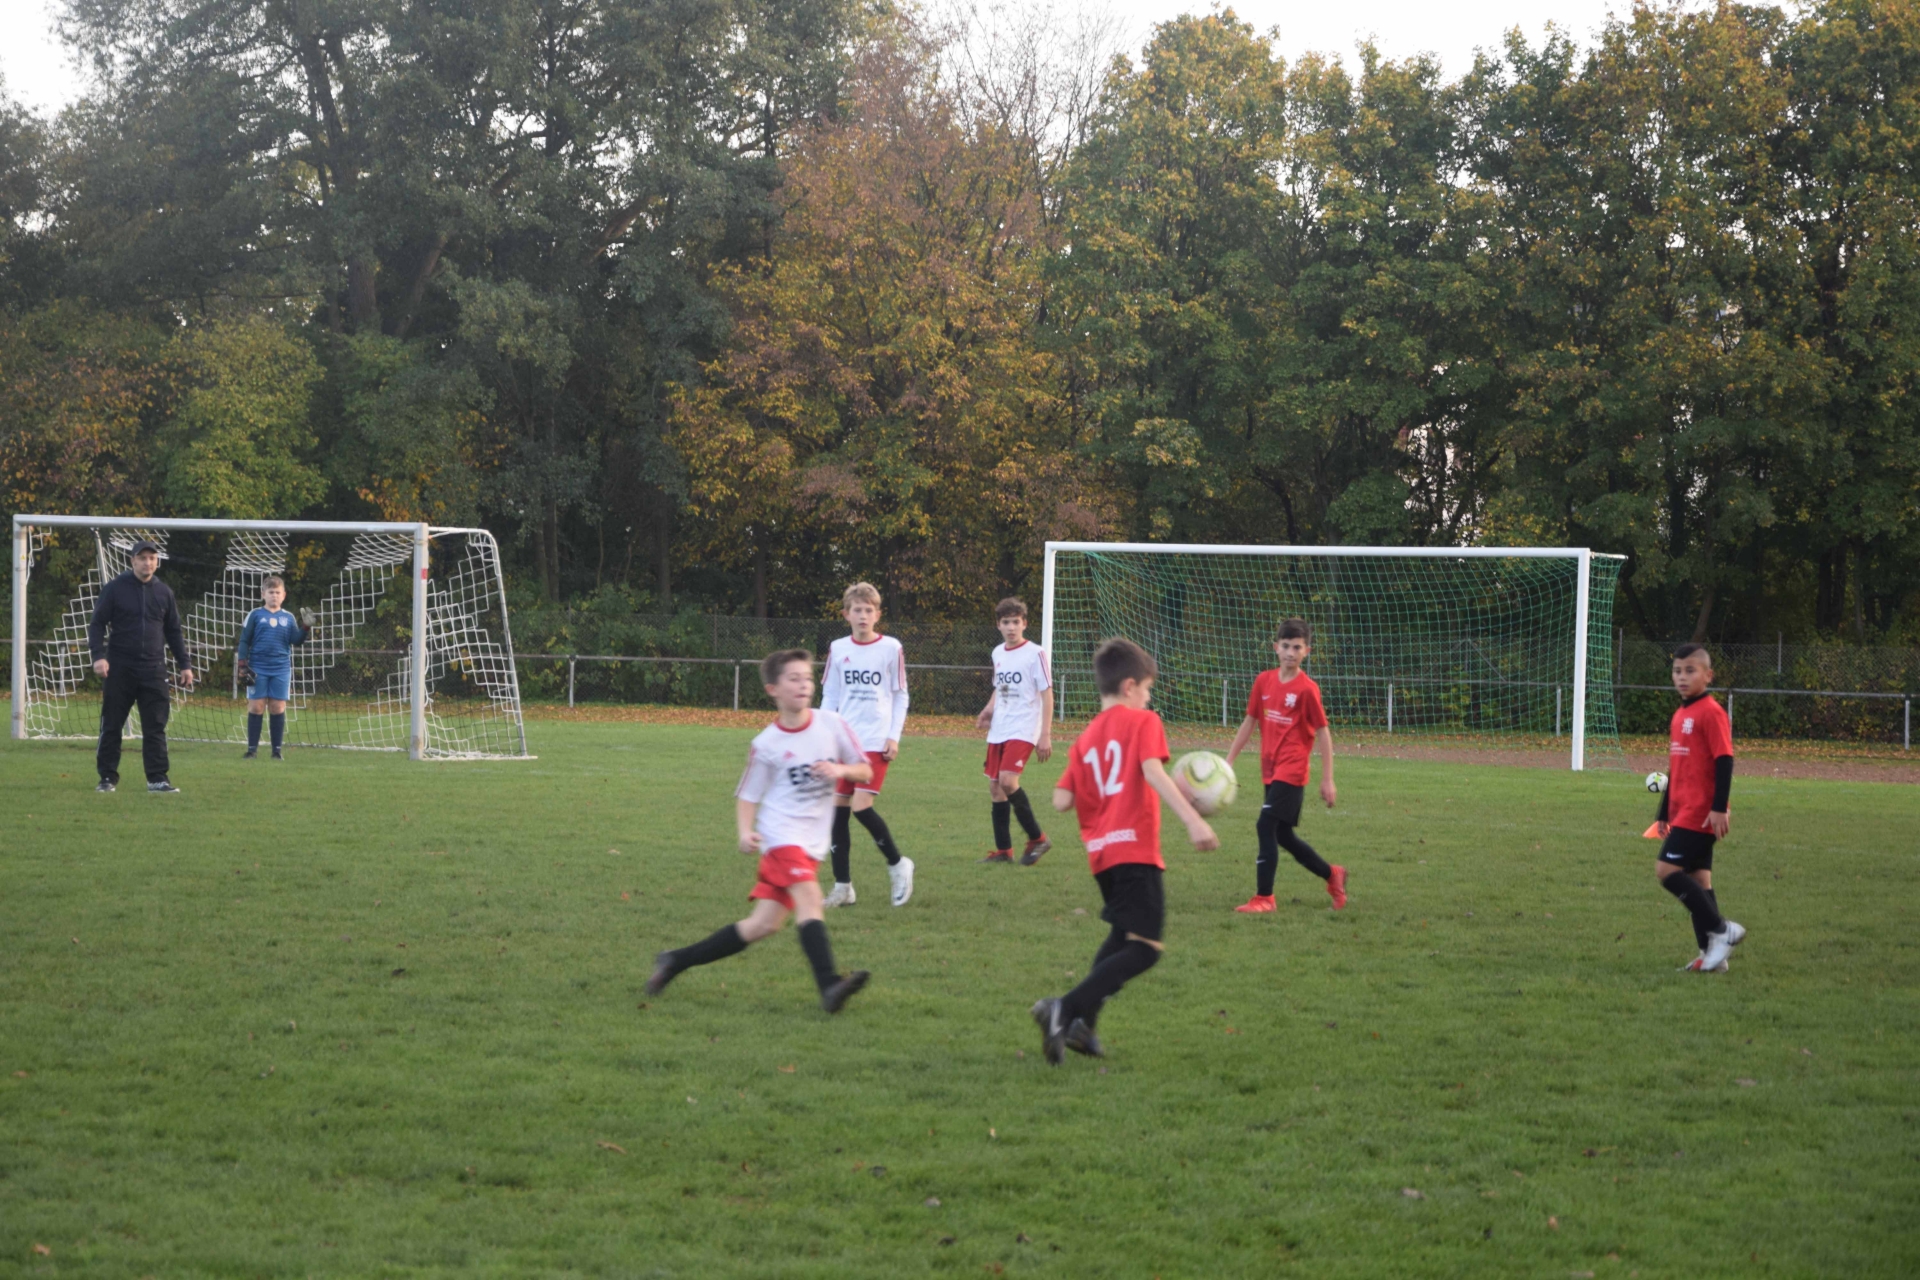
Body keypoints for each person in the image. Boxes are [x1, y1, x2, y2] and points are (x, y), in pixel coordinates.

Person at [644, 649, 873, 1013]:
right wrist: (744, 831)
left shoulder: (832, 724)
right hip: (781, 837)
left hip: (811, 844)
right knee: (810, 898)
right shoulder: (766, 744)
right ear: (773, 689)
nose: (803, 685)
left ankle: (674, 960)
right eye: (793, 679)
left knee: (761, 926)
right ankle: (829, 985)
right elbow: (748, 795)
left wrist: (841, 771)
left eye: (807, 678)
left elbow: (865, 770)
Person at [1030, 638, 1218, 1064]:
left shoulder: (1086, 738)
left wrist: (1093, 784)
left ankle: (1082, 1026)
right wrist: (1193, 819)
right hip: (1135, 849)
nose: (1148, 698)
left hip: (1102, 856)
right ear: (1130, 686)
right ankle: (1064, 1009)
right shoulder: (1143, 722)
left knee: (1120, 937)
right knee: (1146, 948)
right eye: (1147, 689)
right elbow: (1152, 771)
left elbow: (1061, 800)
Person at [1222, 618, 1345, 912]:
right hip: (1270, 768)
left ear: (1307, 651)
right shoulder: (1263, 681)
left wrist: (1328, 778)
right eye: (1286, 646)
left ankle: (1265, 898)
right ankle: (1332, 874)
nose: (1291, 652)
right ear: (1275, 647)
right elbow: (1249, 721)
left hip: (1293, 768)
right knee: (1283, 835)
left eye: (1297, 647)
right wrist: (1228, 761)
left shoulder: (1307, 689)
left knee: (1265, 824)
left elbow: (1323, 732)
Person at [819, 583, 914, 908]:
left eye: (868, 610)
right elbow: (830, 695)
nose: (863, 615)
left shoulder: (891, 648)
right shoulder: (837, 648)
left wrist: (894, 736)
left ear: (878, 614)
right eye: (857, 610)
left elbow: (900, 695)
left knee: (861, 806)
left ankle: (898, 865)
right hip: (844, 743)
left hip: (875, 741)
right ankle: (843, 886)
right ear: (846, 614)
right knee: (838, 813)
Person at [1654, 643, 1745, 973]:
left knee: (1666, 871)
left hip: (1702, 811)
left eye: (1690, 671)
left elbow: (1725, 759)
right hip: (1683, 811)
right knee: (1700, 880)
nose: (1682, 677)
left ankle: (1722, 930)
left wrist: (1719, 807)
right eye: (1677, 671)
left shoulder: (1711, 712)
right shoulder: (1680, 714)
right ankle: (1711, 956)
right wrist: (1664, 812)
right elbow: (1676, 766)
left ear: (1708, 675)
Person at [88, 539, 195, 794]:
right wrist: (98, 656)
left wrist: (185, 664)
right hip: (120, 668)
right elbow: (97, 624)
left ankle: (157, 779)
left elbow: (174, 631)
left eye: (152, 558)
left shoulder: (164, 592)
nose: (147, 562)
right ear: (133, 561)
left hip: (154, 670)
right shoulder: (115, 589)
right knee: (112, 724)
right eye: (143, 558)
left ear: (157, 562)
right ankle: (107, 777)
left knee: (155, 727)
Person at [975, 597, 1052, 864]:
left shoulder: (1035, 653)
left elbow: (1047, 694)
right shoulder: (998, 652)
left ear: (1024, 624)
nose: (1011, 627)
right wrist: (989, 709)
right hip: (1000, 727)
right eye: (1006, 622)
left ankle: (1038, 838)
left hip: (1024, 727)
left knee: (1008, 781)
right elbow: (1000, 687)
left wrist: (1045, 734)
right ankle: (1003, 851)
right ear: (998, 625)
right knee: (996, 787)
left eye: (1016, 622)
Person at [235, 576, 313, 759]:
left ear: (284, 595)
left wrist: (305, 628)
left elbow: (296, 640)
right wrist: (242, 663)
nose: (274, 595)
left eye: (278, 592)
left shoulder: (288, 617)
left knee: (277, 707)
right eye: (271, 592)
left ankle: (276, 751)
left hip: (281, 669)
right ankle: (252, 750)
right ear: (263, 594)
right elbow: (244, 640)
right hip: (257, 668)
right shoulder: (255, 615)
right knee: (256, 707)